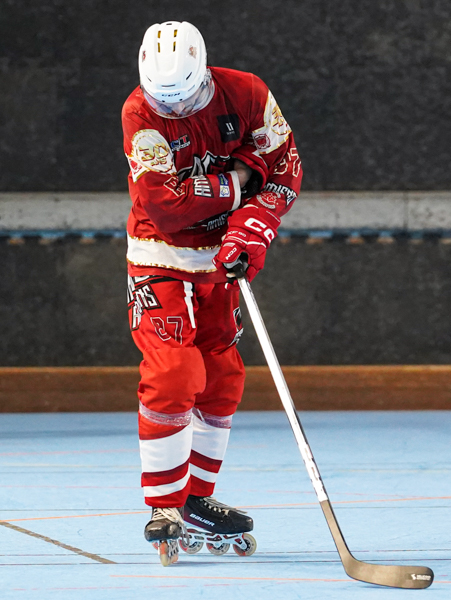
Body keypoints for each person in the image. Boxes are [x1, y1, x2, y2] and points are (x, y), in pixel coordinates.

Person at [122, 20, 302, 565]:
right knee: (176, 373)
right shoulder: (139, 115)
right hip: (160, 258)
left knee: (222, 376)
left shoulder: (248, 92)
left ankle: (197, 500)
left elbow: (286, 165)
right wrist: (243, 181)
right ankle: (164, 505)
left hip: (221, 260)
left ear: (205, 74)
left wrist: (255, 224)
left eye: (187, 100)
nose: (174, 113)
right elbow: (165, 204)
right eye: (164, 102)